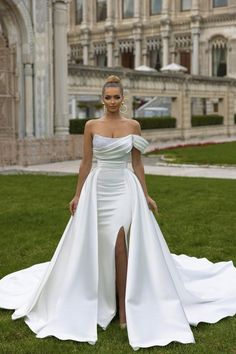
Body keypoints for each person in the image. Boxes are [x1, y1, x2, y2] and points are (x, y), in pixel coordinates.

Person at [0, 75, 236, 351]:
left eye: (117, 97)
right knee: (99, 246)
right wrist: (77, 194)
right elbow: (86, 163)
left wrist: (145, 194)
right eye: (108, 97)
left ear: (123, 99)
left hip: (125, 187)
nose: (112, 101)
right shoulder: (91, 126)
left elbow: (137, 164)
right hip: (98, 188)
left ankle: (125, 309)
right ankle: (102, 298)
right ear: (102, 99)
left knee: (120, 244)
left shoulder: (133, 126)